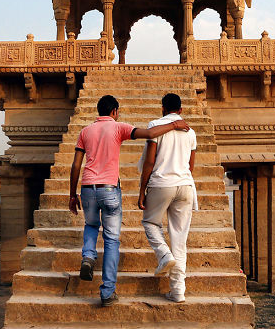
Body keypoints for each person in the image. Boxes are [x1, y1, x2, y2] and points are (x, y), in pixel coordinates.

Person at [69, 94, 189, 307]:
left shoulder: (85, 132)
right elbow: (151, 133)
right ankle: (107, 292)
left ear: (99, 111)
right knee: (112, 240)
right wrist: (174, 125)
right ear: (114, 111)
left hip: (87, 188)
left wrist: (72, 194)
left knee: (90, 225)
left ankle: (88, 257)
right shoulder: (118, 127)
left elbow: (76, 165)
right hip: (109, 189)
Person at [136, 93, 197, 303]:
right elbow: (191, 165)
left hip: (161, 183)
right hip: (185, 185)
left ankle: (164, 255)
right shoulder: (190, 132)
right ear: (180, 110)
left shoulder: (155, 125)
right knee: (179, 239)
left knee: (150, 223)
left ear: (162, 107)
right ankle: (178, 291)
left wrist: (142, 189)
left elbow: (149, 162)